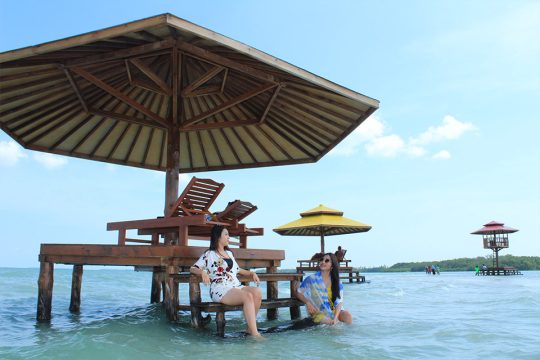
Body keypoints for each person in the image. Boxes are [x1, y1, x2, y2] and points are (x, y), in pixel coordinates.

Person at [190, 225, 262, 337]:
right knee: (247, 296)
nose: (229, 237)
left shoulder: (230, 254)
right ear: (218, 237)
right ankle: (255, 334)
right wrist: (203, 272)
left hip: (235, 285)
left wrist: (251, 273)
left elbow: (237, 270)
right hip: (220, 289)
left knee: (257, 292)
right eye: (226, 234)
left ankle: (250, 329)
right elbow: (193, 268)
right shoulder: (209, 254)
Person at [296, 253, 352, 325]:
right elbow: (299, 292)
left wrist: (335, 318)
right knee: (331, 325)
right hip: (319, 311)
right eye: (322, 260)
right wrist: (307, 303)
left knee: (348, 316)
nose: (323, 262)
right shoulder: (312, 279)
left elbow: (339, 302)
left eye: (327, 260)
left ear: (332, 265)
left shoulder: (336, 281)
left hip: (334, 309)